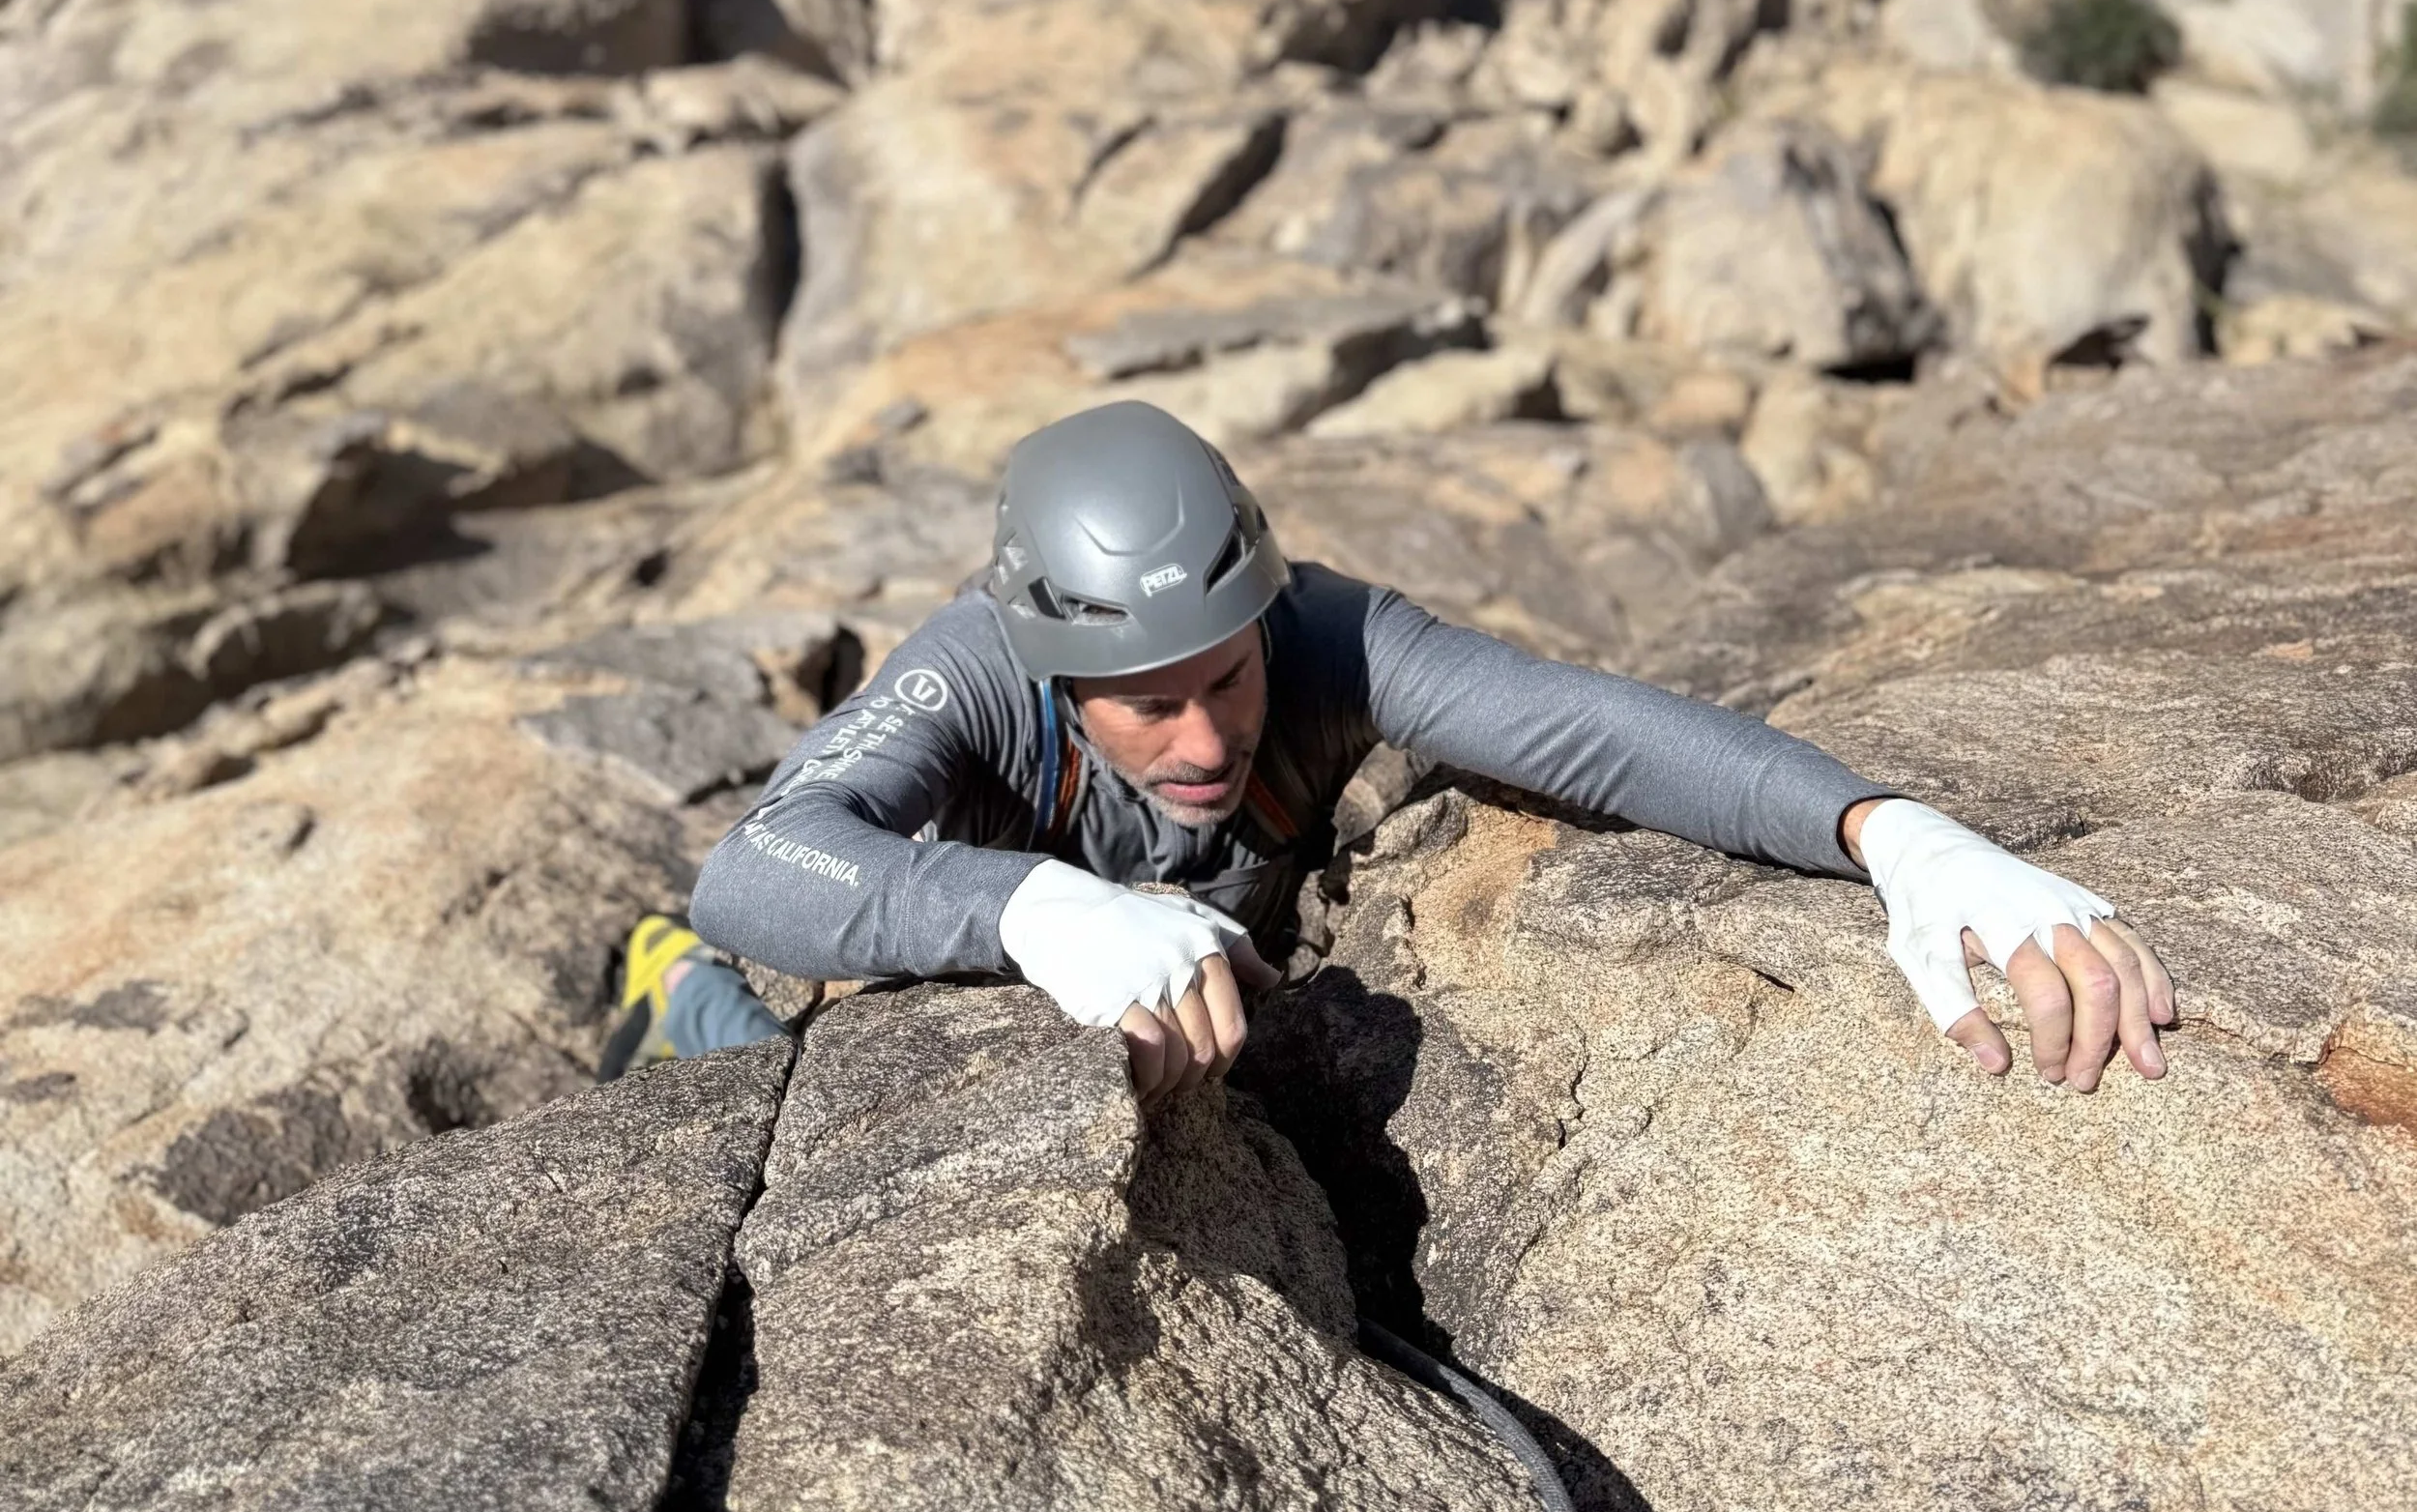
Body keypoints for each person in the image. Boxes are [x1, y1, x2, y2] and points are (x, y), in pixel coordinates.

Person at [603, 401, 2175, 1103]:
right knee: (743, 1039)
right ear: (1052, 663)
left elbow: (1593, 734)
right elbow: (760, 860)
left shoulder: (1325, 637)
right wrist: (1031, 908)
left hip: (1204, 981)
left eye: (1223, 678)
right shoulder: (978, 668)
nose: (1208, 732)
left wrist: (1893, 835)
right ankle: (665, 985)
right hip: (982, 965)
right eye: (1143, 705)